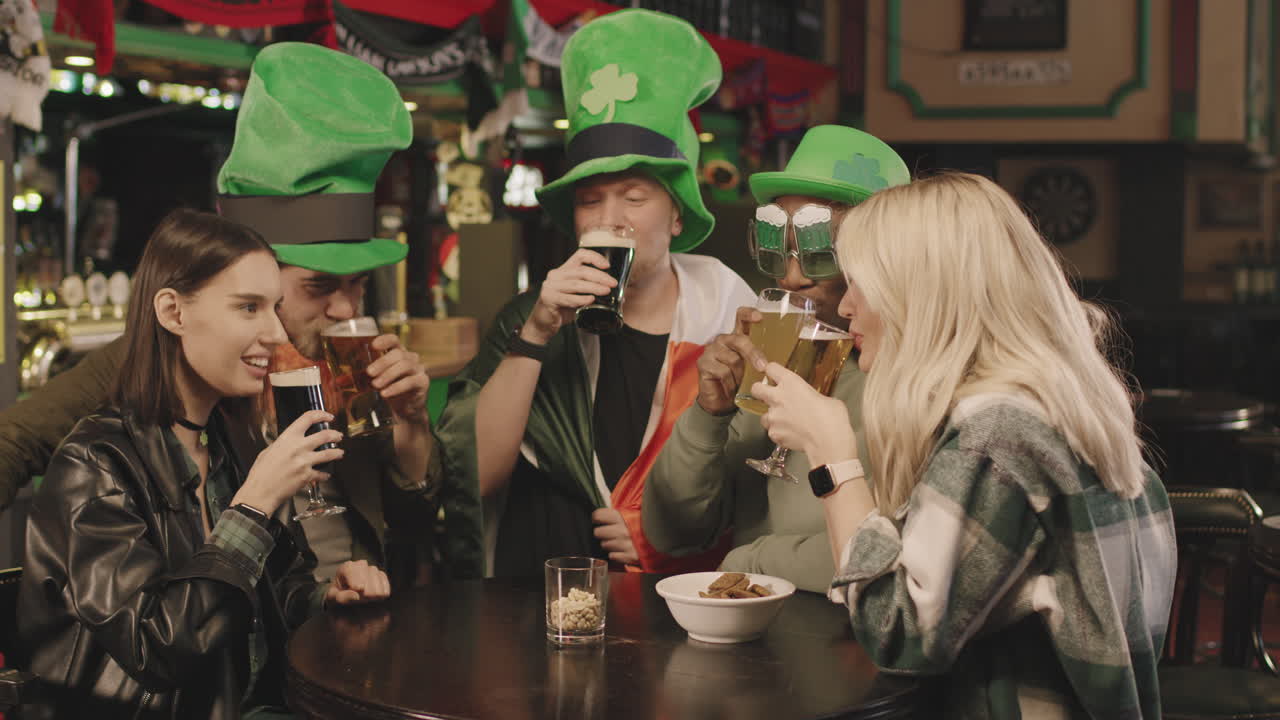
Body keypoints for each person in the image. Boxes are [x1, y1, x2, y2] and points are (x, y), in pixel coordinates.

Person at [0, 43, 484, 583]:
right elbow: (15, 441)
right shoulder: (169, 362)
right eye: (319, 285)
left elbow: (412, 525)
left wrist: (412, 426)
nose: (346, 308)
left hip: (349, 629)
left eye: (359, 284)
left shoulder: (349, 369)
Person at [753, 172, 1176, 718]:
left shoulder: (997, 434)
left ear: (921, 294)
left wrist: (832, 457)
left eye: (861, 283)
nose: (848, 306)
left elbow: (897, 636)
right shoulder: (1052, 404)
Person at [19, 209, 391, 720]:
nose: (275, 333)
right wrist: (255, 504)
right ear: (173, 312)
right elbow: (159, 650)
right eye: (248, 308)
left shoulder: (226, 440)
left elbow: (270, 594)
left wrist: (326, 598)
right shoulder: (95, 465)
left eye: (275, 308)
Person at [434, 9, 755, 577]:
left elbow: (755, 491)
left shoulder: (729, 322)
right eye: (590, 200)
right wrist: (534, 333)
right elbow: (474, 477)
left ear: (677, 216)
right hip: (535, 580)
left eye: (634, 198)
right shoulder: (529, 316)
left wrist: (664, 542)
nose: (611, 219)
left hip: (670, 599)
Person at [642, 125, 909, 593]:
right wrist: (709, 414)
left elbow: (904, 557)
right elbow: (672, 532)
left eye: (819, 253)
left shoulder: (916, 380)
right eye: (776, 251)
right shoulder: (776, 363)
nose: (790, 279)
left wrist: (752, 561)